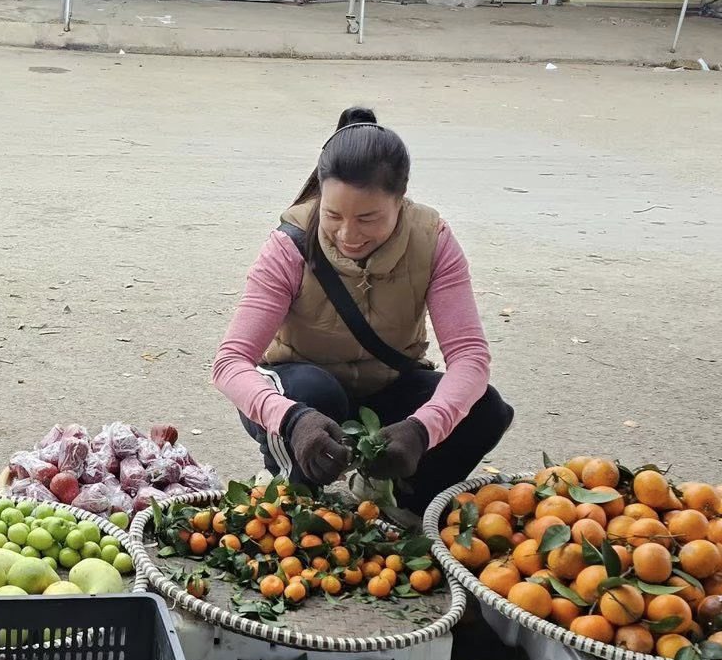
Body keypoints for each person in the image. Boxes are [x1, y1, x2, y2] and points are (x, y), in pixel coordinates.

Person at [211, 107, 512, 514]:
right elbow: (230, 363)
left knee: (486, 410)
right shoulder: (290, 246)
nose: (348, 235)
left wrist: (422, 430)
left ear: (400, 201)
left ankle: (396, 500)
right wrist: (293, 420)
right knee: (318, 394)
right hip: (299, 391)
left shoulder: (433, 242)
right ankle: (292, 490)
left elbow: (470, 358)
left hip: (384, 390)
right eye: (333, 216)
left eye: (368, 218)